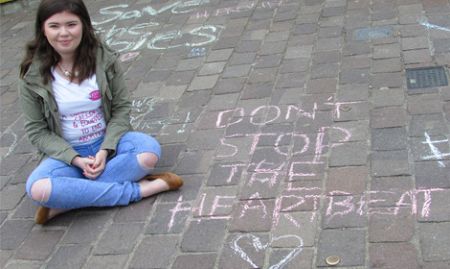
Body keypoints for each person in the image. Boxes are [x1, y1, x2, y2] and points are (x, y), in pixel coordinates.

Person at [19, 0, 183, 225]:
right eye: (54, 26)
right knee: (38, 188)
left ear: (84, 25)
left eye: (71, 24)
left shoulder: (104, 59)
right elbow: (37, 132)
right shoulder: (32, 75)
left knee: (148, 152)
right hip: (66, 156)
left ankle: (69, 199)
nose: (64, 33)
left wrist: (106, 150)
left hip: (110, 146)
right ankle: (141, 190)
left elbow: (121, 109)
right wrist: (75, 159)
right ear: (42, 30)